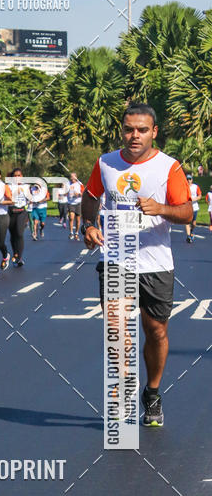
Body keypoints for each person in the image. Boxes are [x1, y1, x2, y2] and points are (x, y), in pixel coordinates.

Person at [81, 103, 192, 427]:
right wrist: (89, 225)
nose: (134, 135)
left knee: (155, 332)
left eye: (142, 130)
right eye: (129, 129)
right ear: (122, 130)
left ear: (153, 132)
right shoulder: (106, 163)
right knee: (117, 329)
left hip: (156, 262)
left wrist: (160, 208)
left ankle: (152, 392)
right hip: (116, 258)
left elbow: (187, 211)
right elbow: (90, 196)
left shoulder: (168, 167)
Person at [7, 167, 29, 266]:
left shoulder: (26, 186)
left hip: (22, 211)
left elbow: (30, 198)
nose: (17, 177)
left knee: (19, 233)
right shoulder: (8, 186)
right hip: (11, 212)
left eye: (19, 175)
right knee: (13, 235)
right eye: (15, 176)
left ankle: (19, 257)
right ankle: (15, 252)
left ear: (22, 176)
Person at [185, 172, 202, 243]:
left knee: (194, 223)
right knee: (187, 222)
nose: (188, 180)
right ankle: (189, 236)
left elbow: (200, 195)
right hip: (186, 207)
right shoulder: (184, 187)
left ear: (192, 180)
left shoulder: (195, 187)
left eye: (190, 179)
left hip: (194, 207)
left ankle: (192, 231)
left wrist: (194, 199)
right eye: (187, 179)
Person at [67, 172, 84, 240]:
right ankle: (71, 233)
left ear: (76, 177)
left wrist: (78, 194)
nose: (72, 178)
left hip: (78, 203)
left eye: (73, 177)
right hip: (71, 203)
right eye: (71, 177)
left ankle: (76, 233)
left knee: (78, 219)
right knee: (71, 217)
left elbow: (83, 193)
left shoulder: (80, 184)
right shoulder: (67, 184)